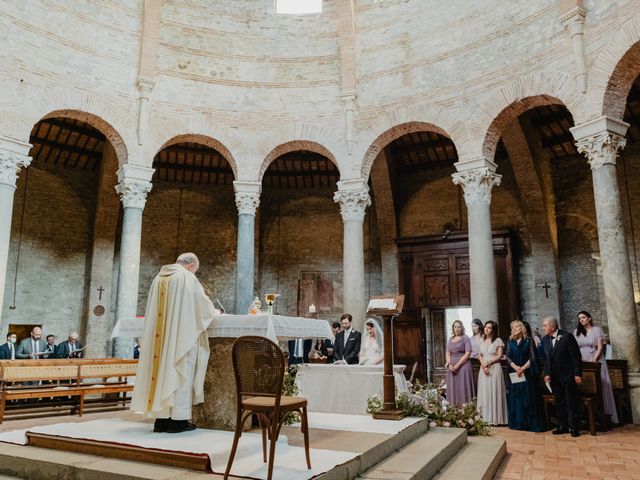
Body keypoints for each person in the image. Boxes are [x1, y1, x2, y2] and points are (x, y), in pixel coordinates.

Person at [131, 253, 218, 434]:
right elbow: (202, 306)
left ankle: (161, 420)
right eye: (196, 269)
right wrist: (214, 310)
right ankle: (178, 421)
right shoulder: (187, 277)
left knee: (162, 374)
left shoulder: (159, 278)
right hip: (180, 338)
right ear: (191, 265)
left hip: (160, 340)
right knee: (181, 373)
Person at [573, 310, 618, 426]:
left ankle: (605, 414)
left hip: (595, 359)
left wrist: (594, 361)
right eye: (579, 318)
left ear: (589, 318)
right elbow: (575, 348)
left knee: (600, 385)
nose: (581, 320)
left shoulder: (596, 330)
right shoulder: (576, 332)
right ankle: (587, 416)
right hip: (581, 359)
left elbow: (600, 347)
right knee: (586, 386)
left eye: (583, 317)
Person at [541, 316, 582, 437]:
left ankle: (574, 427)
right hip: (554, 377)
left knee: (571, 401)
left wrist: (578, 374)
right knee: (559, 401)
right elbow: (546, 359)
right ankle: (562, 426)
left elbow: (576, 357)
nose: (543, 328)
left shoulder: (567, 337)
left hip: (567, 375)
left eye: (545, 326)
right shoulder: (545, 340)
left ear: (552, 327)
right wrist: (547, 373)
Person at [506, 320, 545, 432]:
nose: (514, 329)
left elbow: (533, 358)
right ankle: (519, 423)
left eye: (517, 326)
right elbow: (508, 358)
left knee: (528, 397)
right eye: (512, 327)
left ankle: (530, 423)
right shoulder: (510, 342)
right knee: (517, 398)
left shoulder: (529, 341)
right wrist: (516, 368)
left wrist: (522, 368)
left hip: (527, 373)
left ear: (522, 328)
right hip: (515, 373)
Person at [477, 320, 508, 425]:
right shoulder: (482, 340)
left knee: (494, 390)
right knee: (485, 391)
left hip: (494, 368)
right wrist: (483, 365)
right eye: (485, 327)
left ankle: (496, 418)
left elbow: (499, 356)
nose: (486, 329)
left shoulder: (498, 340)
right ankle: (485, 418)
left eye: (489, 327)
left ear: (493, 330)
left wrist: (489, 362)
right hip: (484, 368)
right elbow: (479, 355)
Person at [445, 320, 475, 406]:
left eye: (458, 327)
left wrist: (458, 365)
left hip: (463, 365)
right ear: (453, 328)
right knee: (453, 387)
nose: (457, 329)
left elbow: (468, 353)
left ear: (462, 328)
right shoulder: (450, 339)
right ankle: (454, 409)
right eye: (455, 327)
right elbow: (447, 353)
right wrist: (450, 364)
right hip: (452, 366)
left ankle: (466, 409)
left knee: (463, 387)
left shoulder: (466, 338)